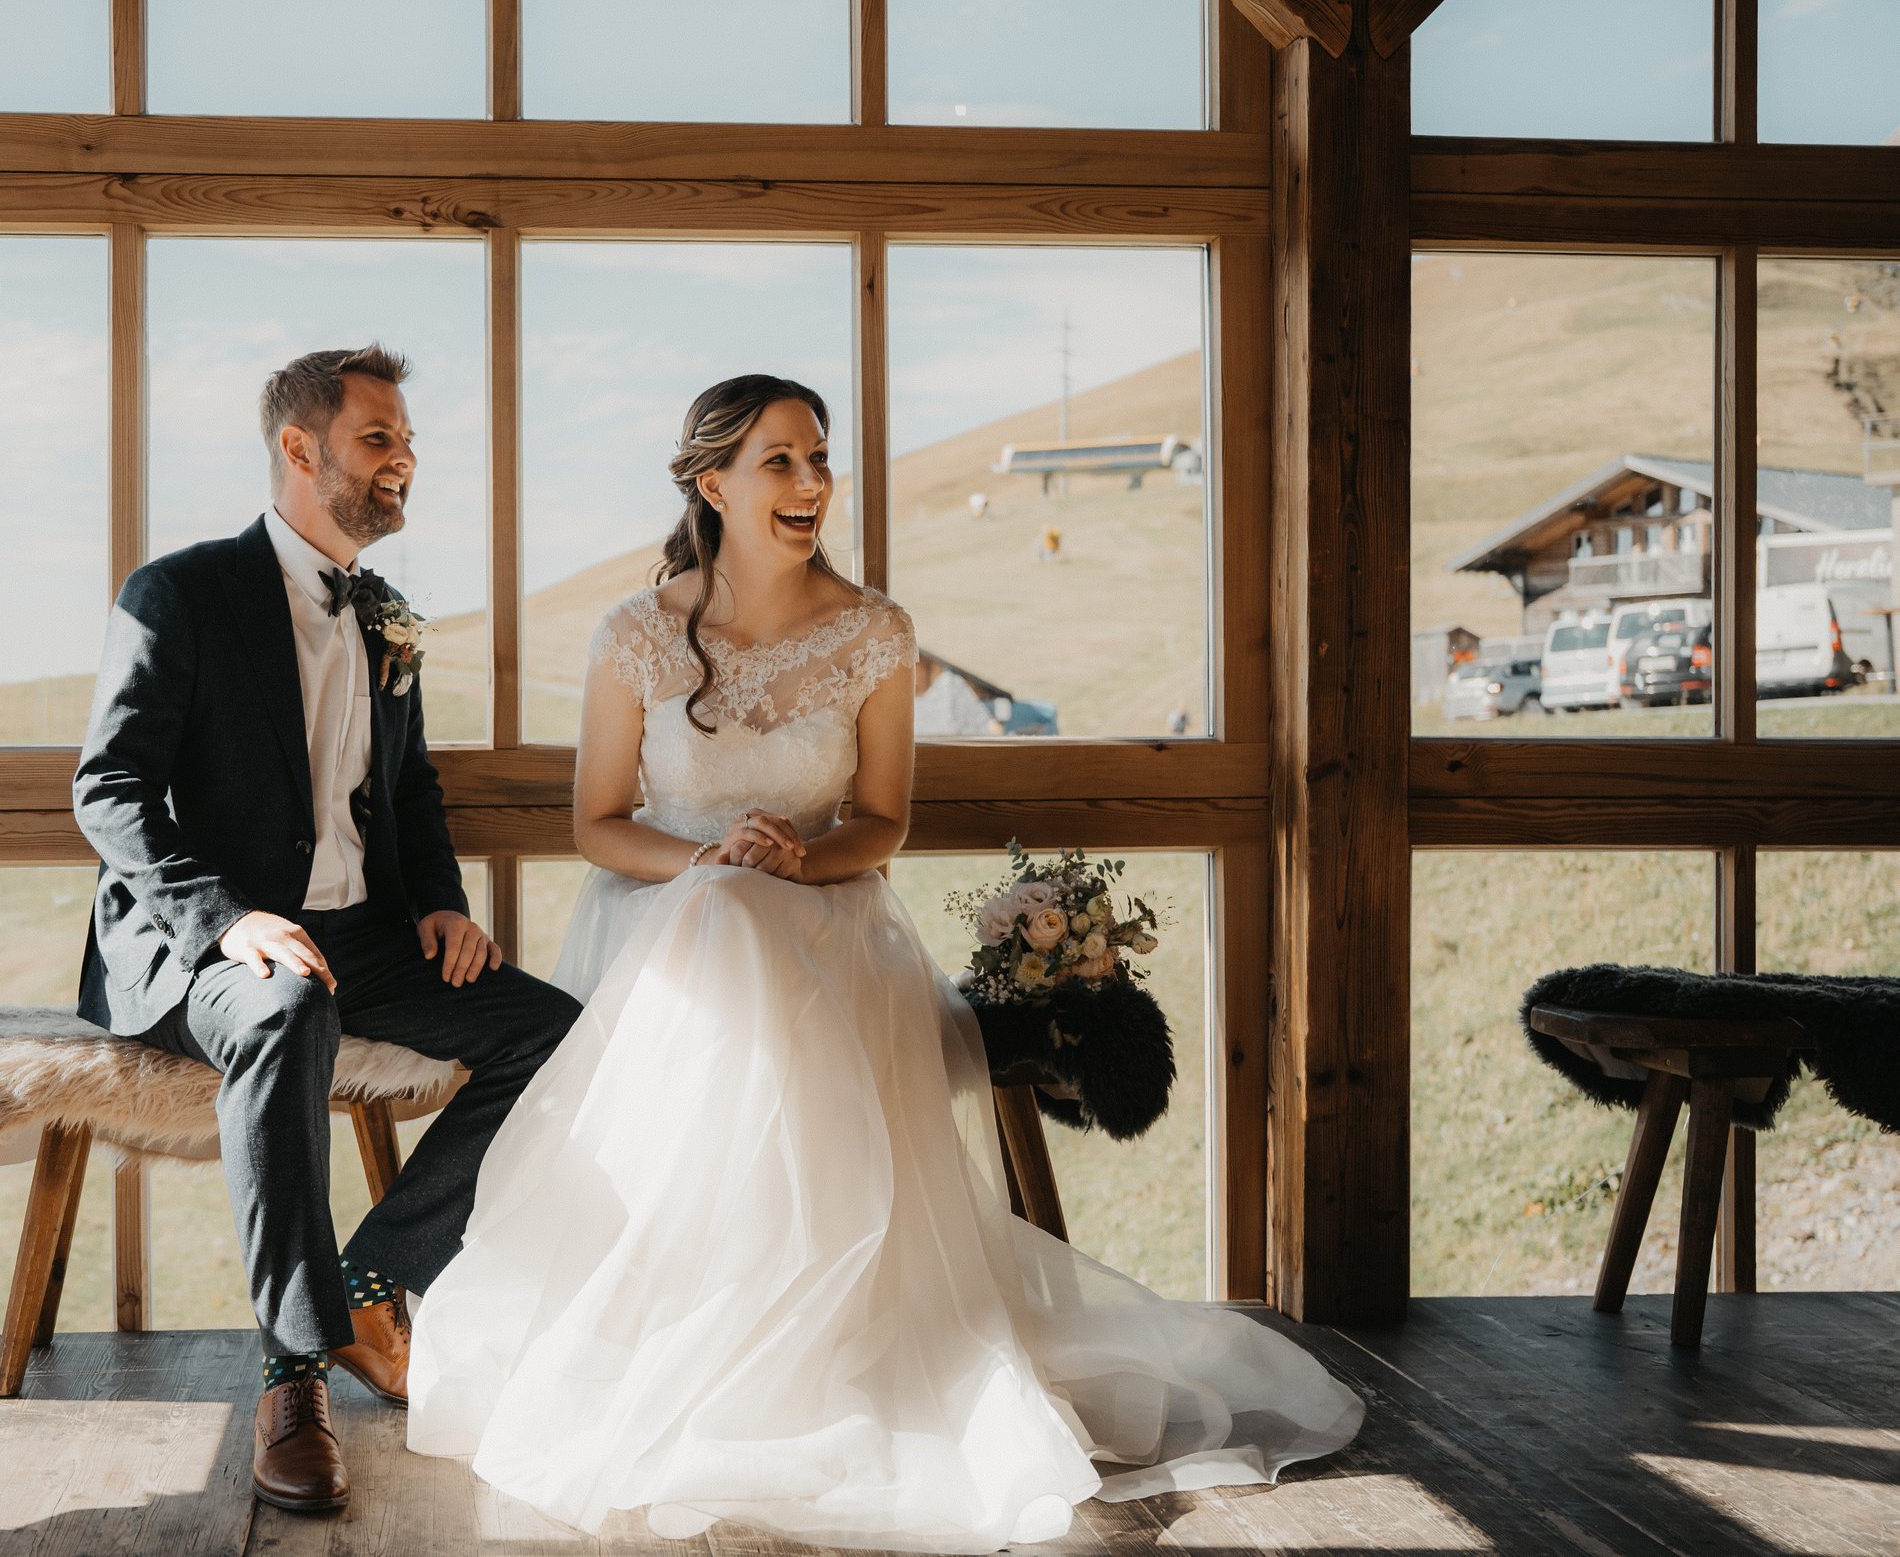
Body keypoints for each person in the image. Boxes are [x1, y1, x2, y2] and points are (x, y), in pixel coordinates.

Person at [407, 374, 1362, 1552]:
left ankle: (818, 1337)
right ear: (713, 483)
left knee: (749, 920)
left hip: (828, 924)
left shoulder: (875, 631)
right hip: (668, 926)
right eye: (781, 462)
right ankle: (694, 1321)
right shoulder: (635, 632)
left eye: (820, 460)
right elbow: (598, 821)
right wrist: (712, 859)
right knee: (720, 917)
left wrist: (792, 857)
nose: (812, 484)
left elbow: (883, 820)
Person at [71, 345, 580, 1515]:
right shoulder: (180, 591)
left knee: (562, 1033)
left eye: (405, 440)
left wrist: (443, 900)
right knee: (287, 1005)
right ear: (299, 450)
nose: (404, 460)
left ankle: (368, 1278)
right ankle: (292, 1374)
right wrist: (225, 918)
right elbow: (110, 788)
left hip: (368, 930)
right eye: (378, 439)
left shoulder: (387, 613)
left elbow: (408, 790)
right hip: (204, 942)